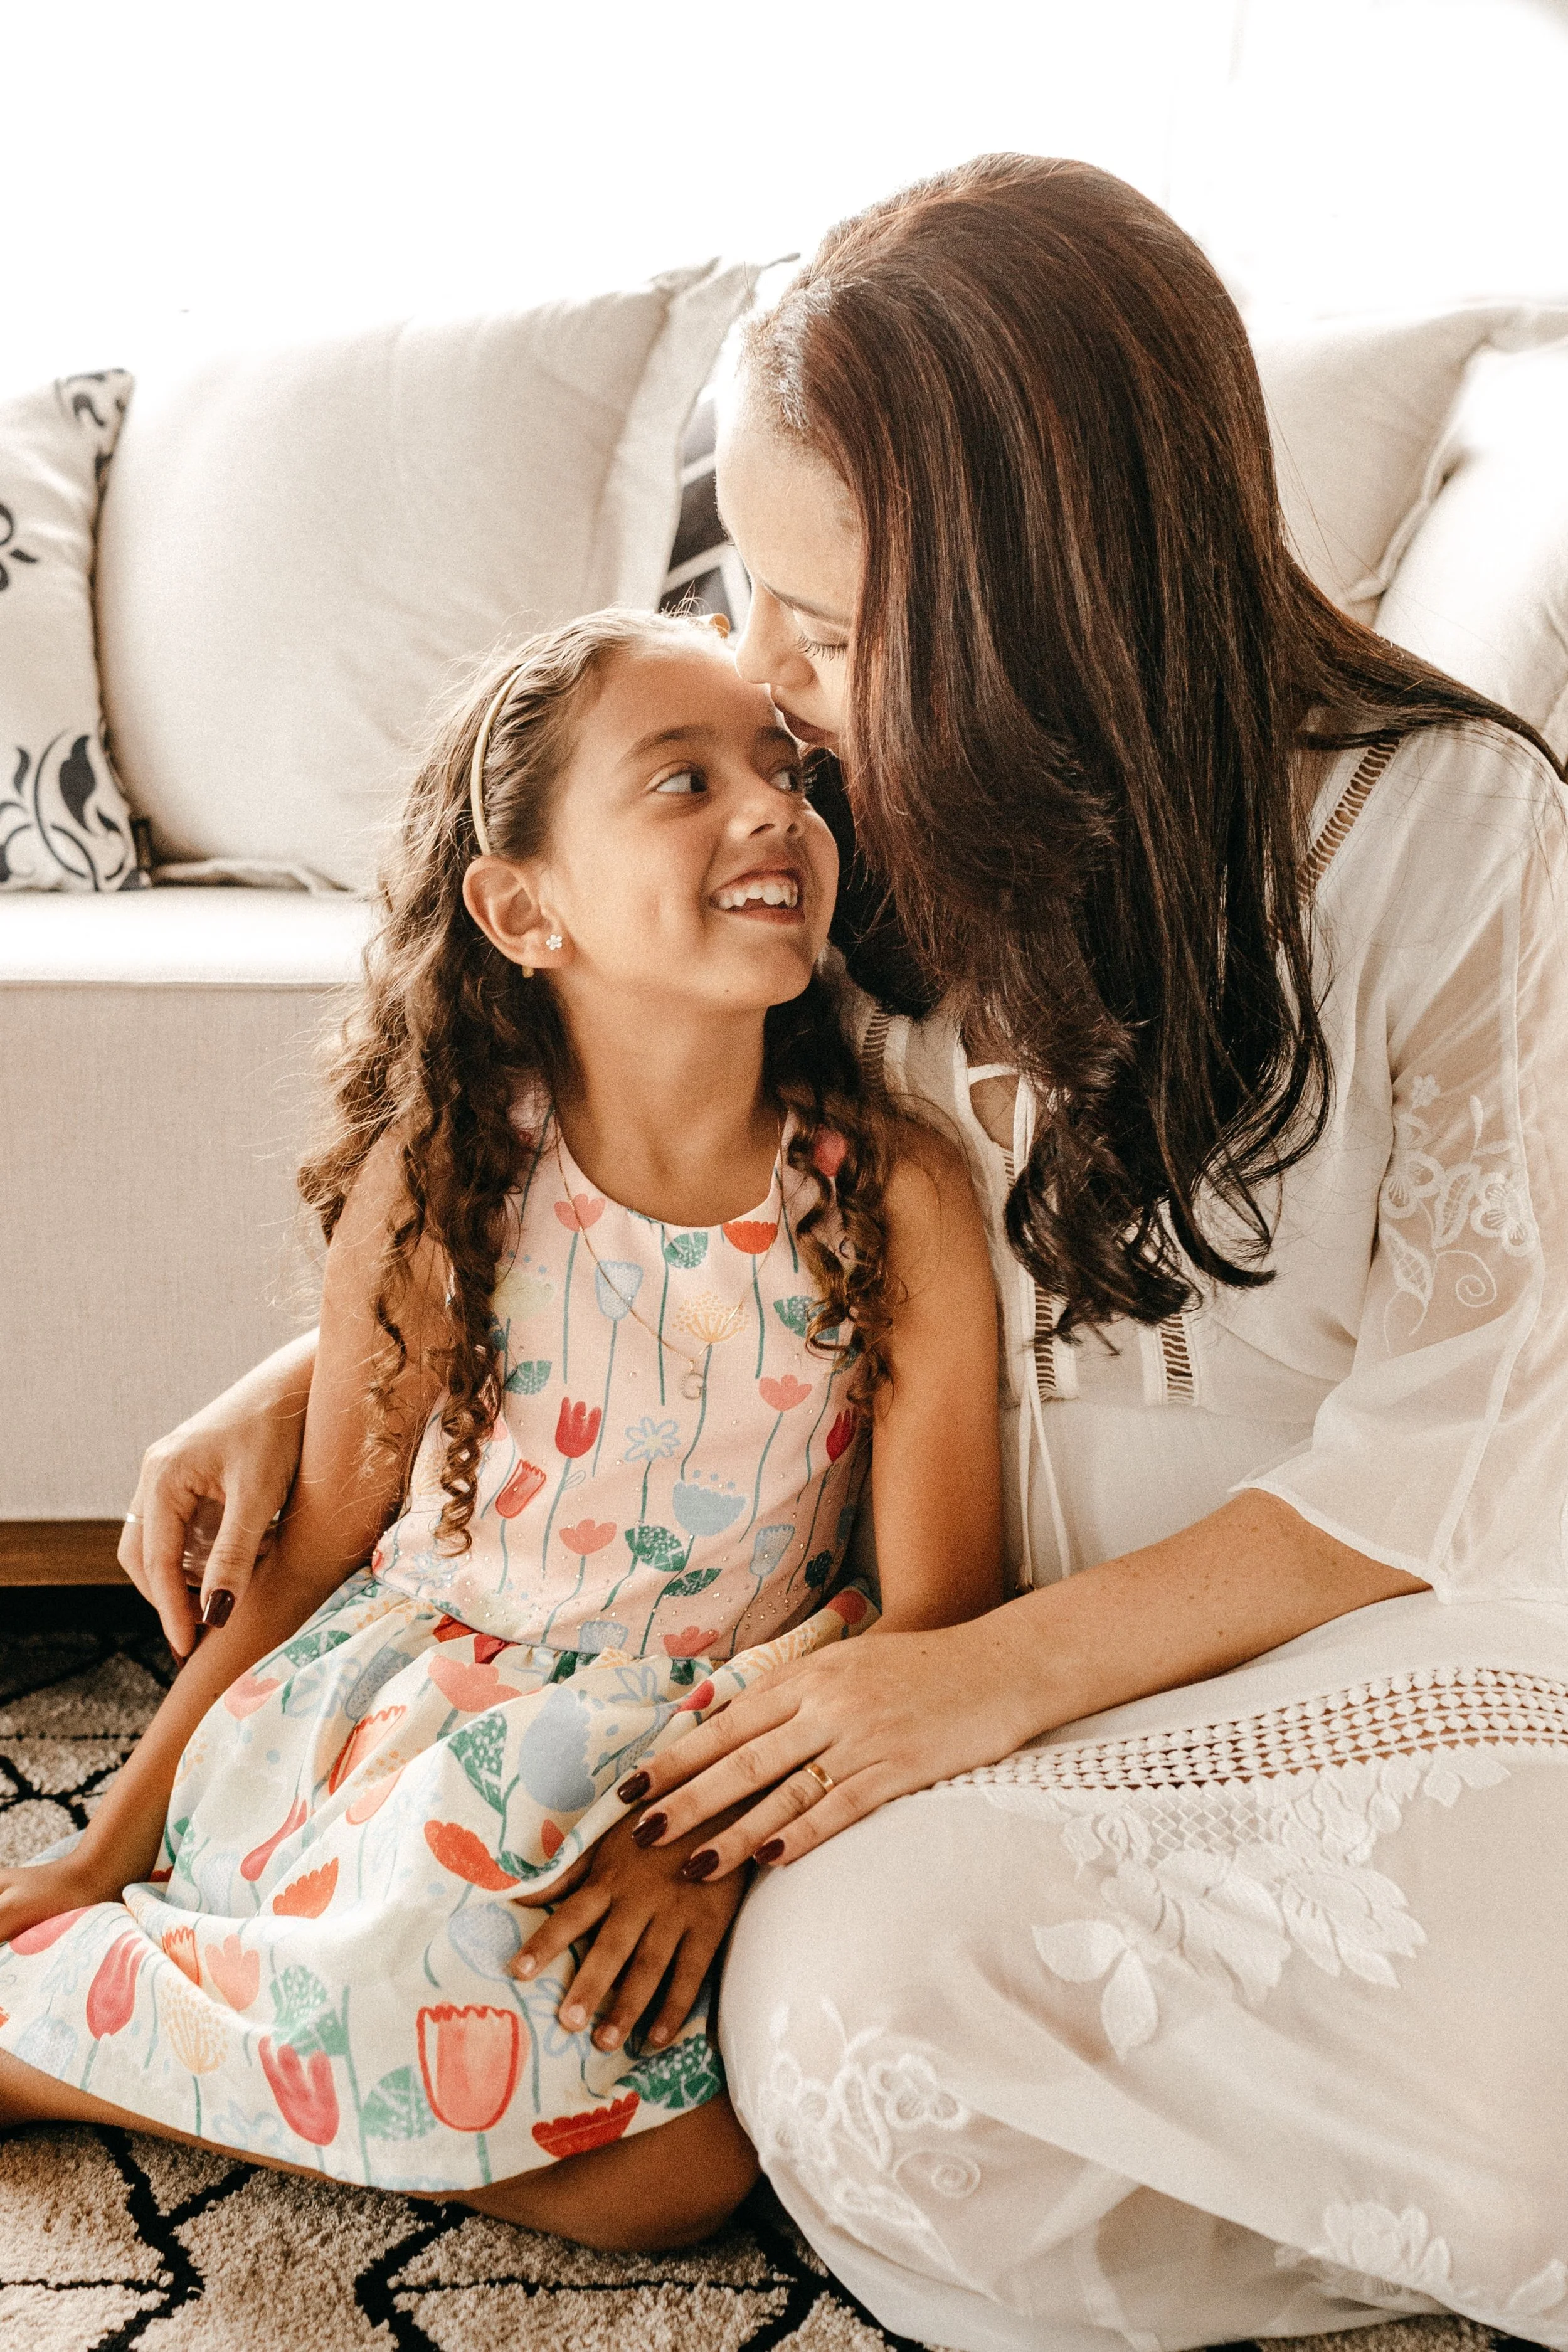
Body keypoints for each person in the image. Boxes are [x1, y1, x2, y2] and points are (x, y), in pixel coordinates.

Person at [56, 152, 1568, 2344]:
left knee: (886, 2018)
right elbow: (641, 1155)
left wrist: (965, 1687)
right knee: (809, 2027)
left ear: (1049, 599)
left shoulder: (1458, 837)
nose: (771, 685)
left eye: (830, 627)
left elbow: (1465, 1449)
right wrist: (319, 1375)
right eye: (751, 597)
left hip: (1350, 1641)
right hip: (921, 1673)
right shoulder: (844, 835)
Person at [0, 608, 1003, 2254]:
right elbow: (317, 1543)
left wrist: (709, 1849)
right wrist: (106, 1840)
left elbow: (935, 1611)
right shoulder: (449, 1176)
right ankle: (108, 2000)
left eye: (785, 771)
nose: (768, 810)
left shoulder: (892, 1195)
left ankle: (85, 2034)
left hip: (701, 1743)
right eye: (680, 780)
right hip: (423, 1724)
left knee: (670, 2176)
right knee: (473, 1892)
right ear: (522, 906)